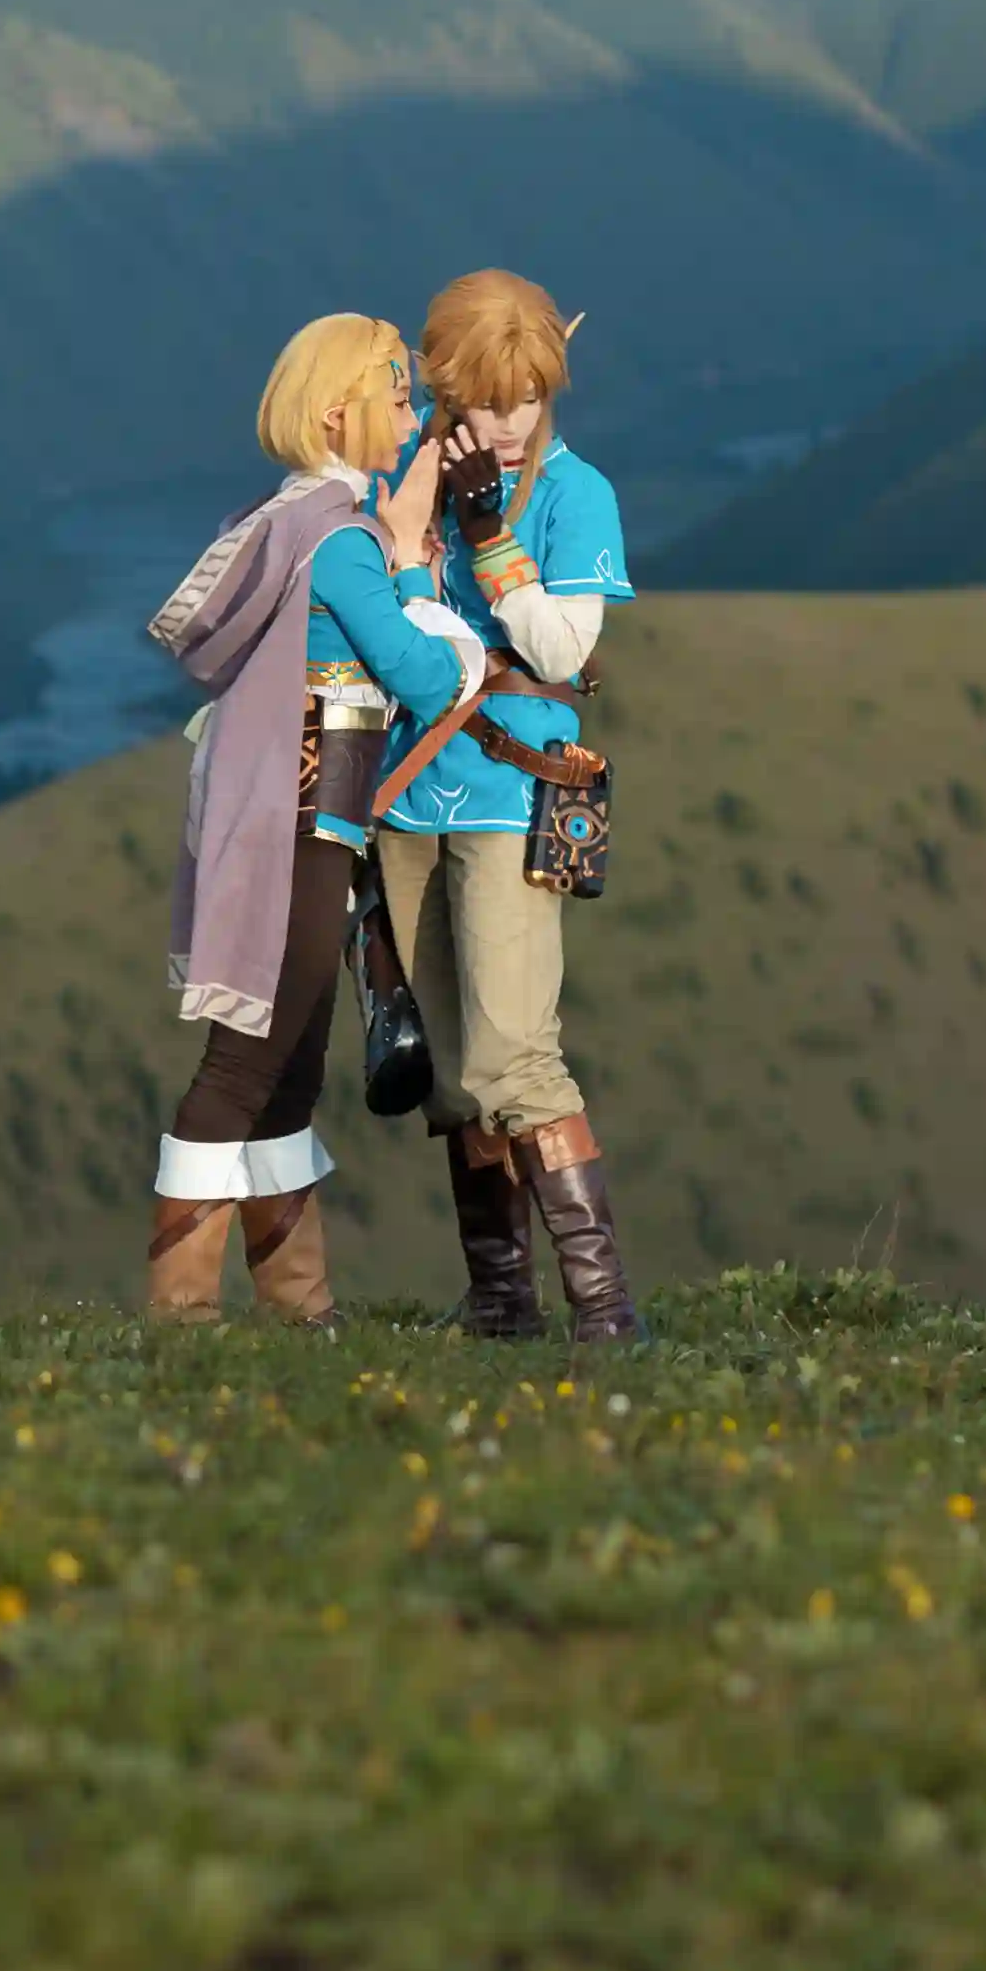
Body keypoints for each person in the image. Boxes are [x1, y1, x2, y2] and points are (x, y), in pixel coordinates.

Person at [139, 312, 483, 1325]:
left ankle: (301, 1308)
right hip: (304, 831)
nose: (411, 414)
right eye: (396, 395)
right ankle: (183, 1316)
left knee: (287, 1067)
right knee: (246, 1067)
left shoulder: (287, 521)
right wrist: (425, 583)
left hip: (288, 825)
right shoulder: (338, 545)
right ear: (341, 409)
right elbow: (423, 678)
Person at [370, 269, 643, 1344]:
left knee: (516, 1054)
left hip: (510, 791)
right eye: (487, 400)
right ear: (444, 389)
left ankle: (605, 1312)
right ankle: (499, 1302)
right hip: (402, 795)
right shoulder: (398, 472)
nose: (511, 421)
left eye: (528, 397)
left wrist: (487, 540)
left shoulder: (578, 493)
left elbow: (565, 650)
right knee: (448, 1064)